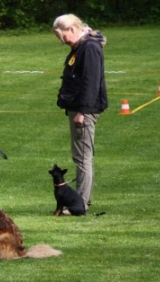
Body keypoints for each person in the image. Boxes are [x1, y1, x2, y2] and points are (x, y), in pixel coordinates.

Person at [53, 14, 108, 214]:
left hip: (84, 110)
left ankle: (81, 203)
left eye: (63, 36)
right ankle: (80, 200)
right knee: (81, 156)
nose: (62, 41)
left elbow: (91, 83)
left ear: (73, 30)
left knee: (83, 157)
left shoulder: (90, 49)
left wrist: (82, 112)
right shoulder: (81, 47)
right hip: (78, 108)